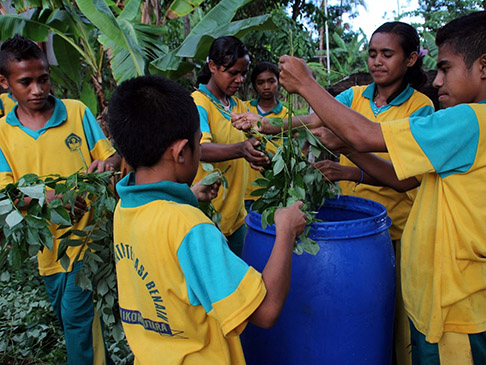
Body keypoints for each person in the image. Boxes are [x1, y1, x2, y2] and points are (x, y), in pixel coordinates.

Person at [278, 11, 486, 364]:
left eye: (446, 68)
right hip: (443, 300)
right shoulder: (466, 128)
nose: (436, 81)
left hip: (455, 308)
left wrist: (306, 84)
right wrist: (347, 150)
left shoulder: (469, 119)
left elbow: (363, 133)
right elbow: (402, 178)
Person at [107, 74, 306, 363]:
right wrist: (286, 230)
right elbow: (265, 312)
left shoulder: (124, 208)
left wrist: (189, 195)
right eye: (199, 144)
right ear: (180, 153)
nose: (200, 150)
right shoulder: (191, 228)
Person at [0, 34, 120, 364]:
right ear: (5, 82)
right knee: (74, 321)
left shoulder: (77, 113)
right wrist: (56, 201)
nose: (37, 89)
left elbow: (110, 159)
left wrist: (106, 166)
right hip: (46, 248)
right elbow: (6, 192)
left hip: (88, 240)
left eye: (43, 79)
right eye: (26, 82)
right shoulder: (3, 133)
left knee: (78, 321)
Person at [191, 36, 269, 256]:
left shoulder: (237, 106)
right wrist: (241, 149)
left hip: (237, 217)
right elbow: (201, 150)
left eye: (243, 73)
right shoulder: (199, 103)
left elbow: (255, 140)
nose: (239, 79)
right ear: (213, 67)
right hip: (209, 216)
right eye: (232, 73)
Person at [243, 61, 288, 212]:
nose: (266, 87)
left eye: (271, 81)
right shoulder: (245, 109)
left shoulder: (287, 116)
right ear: (255, 85)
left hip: (273, 189)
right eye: (261, 82)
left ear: (278, 82)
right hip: (245, 189)